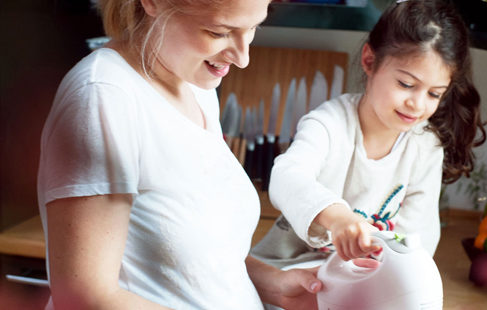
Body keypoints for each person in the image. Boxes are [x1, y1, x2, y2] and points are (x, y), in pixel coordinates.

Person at [37, 0, 323, 309]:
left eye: (253, 28)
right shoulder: (103, 98)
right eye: (219, 32)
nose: (243, 58)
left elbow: (196, 260)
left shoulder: (195, 84)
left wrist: (277, 286)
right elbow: (82, 297)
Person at [251, 0, 487, 267]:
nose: (418, 105)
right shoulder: (329, 124)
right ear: (369, 61)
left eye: (434, 93)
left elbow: (418, 238)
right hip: (293, 264)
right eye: (406, 84)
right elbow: (286, 177)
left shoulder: (426, 146)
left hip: (370, 274)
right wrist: (338, 217)